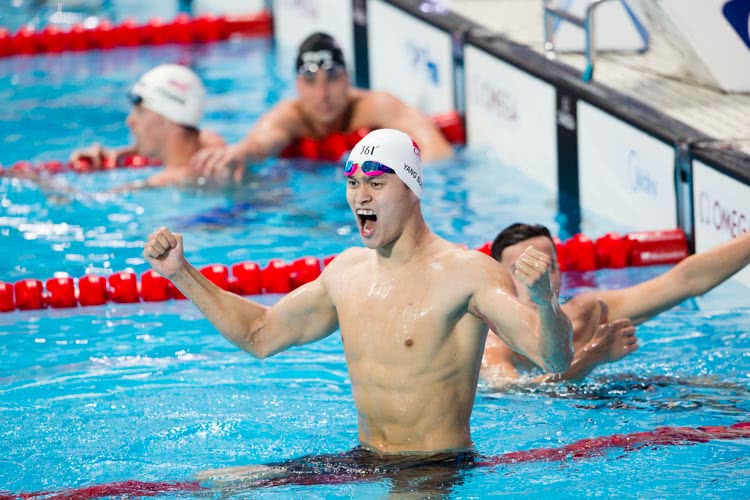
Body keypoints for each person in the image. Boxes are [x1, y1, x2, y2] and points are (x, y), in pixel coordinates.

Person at [143, 129, 572, 491]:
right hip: (364, 457)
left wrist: (544, 302)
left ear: (412, 190)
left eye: (377, 184)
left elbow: (553, 358)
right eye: (353, 183)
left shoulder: (467, 274)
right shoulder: (347, 272)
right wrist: (181, 273)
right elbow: (260, 334)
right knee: (211, 485)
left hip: (433, 466)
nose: (360, 196)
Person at [482, 222, 750, 385]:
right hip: (551, 436)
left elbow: (684, 281)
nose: (537, 278)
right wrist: (591, 357)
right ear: (501, 278)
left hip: (608, 402)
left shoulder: (588, 312)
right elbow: (515, 393)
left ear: (560, 271)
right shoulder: (494, 342)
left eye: (547, 267)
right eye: (523, 269)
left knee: (716, 390)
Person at [190, 32, 454, 182]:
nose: (322, 93)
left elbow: (436, 149)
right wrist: (239, 153)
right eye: (310, 81)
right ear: (297, 84)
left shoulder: (375, 106)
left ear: (347, 78)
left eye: (332, 79)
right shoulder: (289, 117)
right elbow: (259, 144)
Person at [70, 64, 225, 189]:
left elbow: (92, 198)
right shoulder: (214, 148)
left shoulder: (167, 182)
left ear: (168, 118)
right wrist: (118, 154)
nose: (130, 121)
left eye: (140, 111)